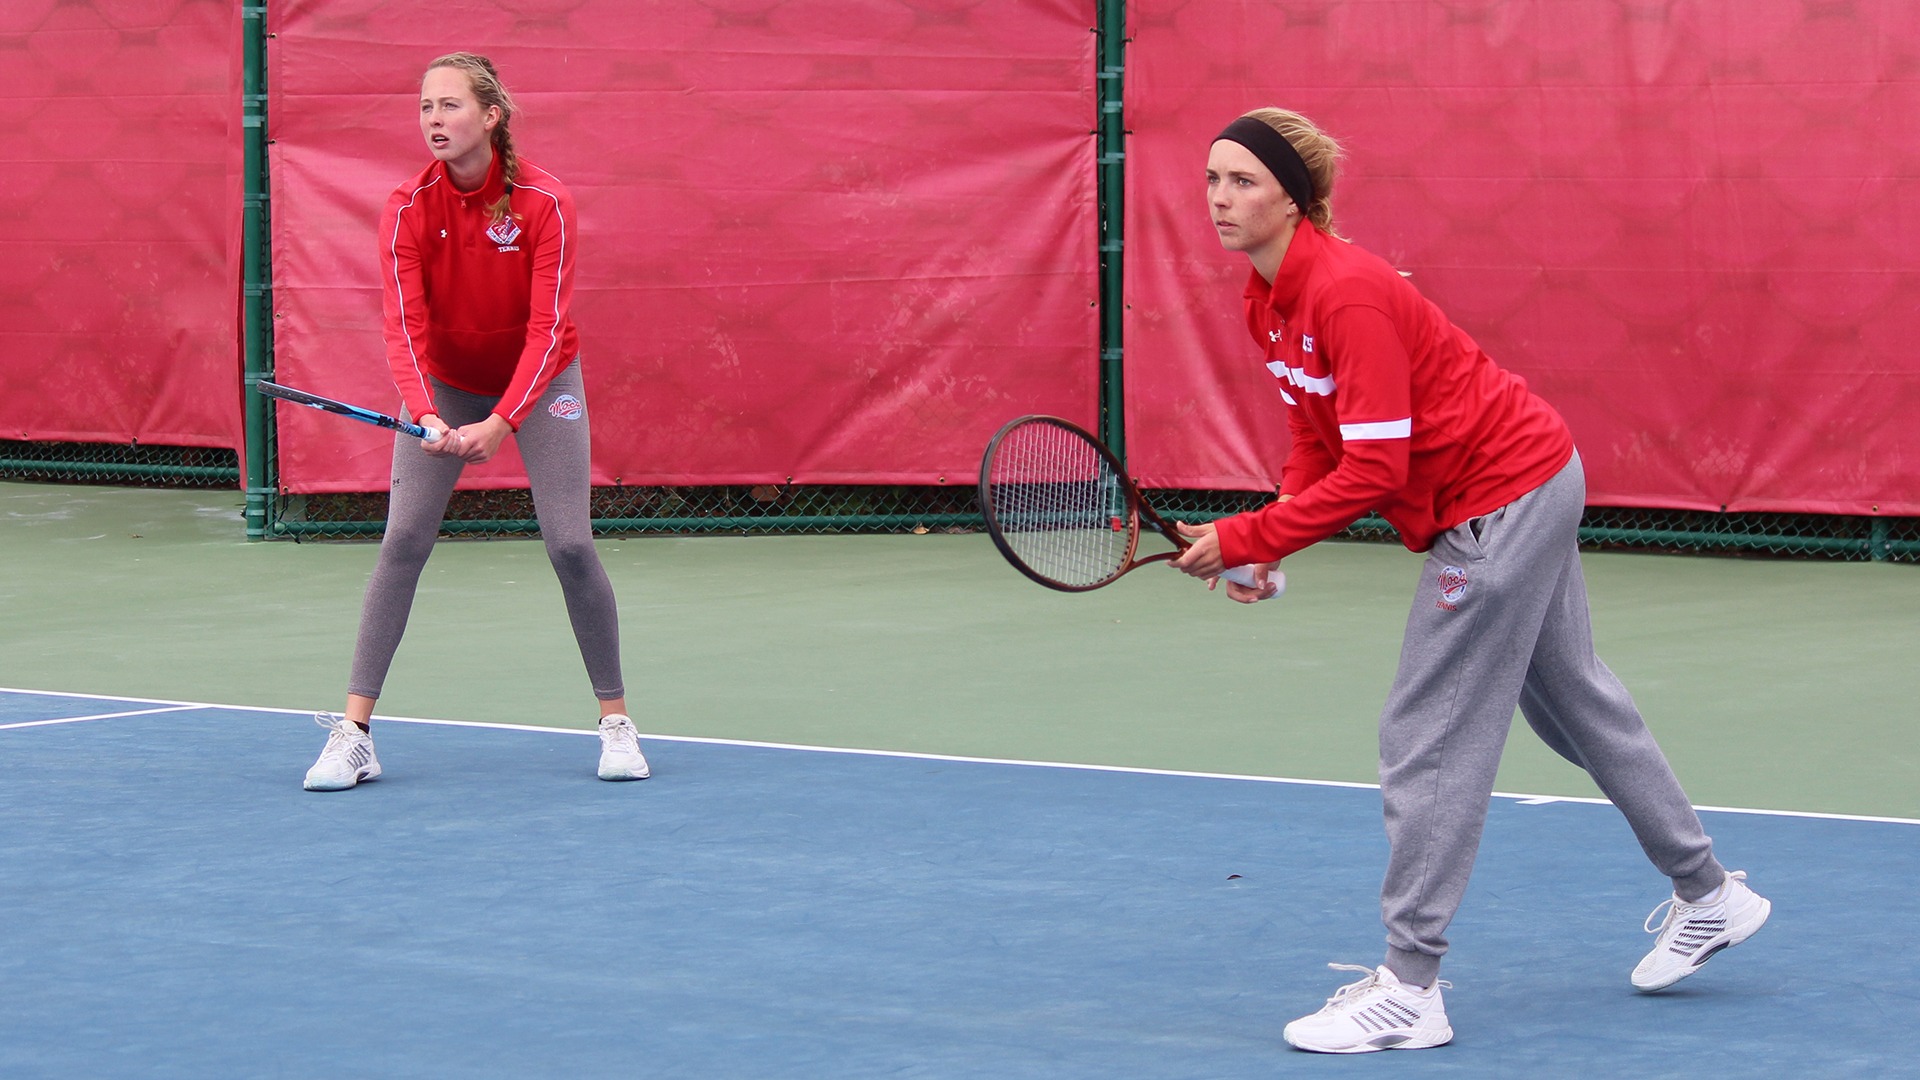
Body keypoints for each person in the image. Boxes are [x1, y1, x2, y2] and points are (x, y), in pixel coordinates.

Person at [1171, 108, 1769, 1053]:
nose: (1219, 199)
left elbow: (1371, 470)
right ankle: (1712, 894)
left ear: (1293, 196)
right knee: (1576, 707)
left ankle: (1411, 987)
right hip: (1528, 479)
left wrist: (1245, 536)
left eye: (1242, 181)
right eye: (1212, 180)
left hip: (1500, 500)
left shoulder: (1347, 295)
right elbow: (1313, 435)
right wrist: (1274, 542)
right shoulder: (1266, 297)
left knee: (1429, 737)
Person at [303, 52, 648, 791]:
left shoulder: (545, 203)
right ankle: (355, 734)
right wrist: (426, 411)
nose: (434, 119)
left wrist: (501, 422)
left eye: (451, 106)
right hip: (446, 386)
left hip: (542, 379)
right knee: (402, 540)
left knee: (570, 545)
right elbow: (403, 328)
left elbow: (547, 328)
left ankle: (616, 721)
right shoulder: (406, 207)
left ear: (491, 117)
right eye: (426, 106)